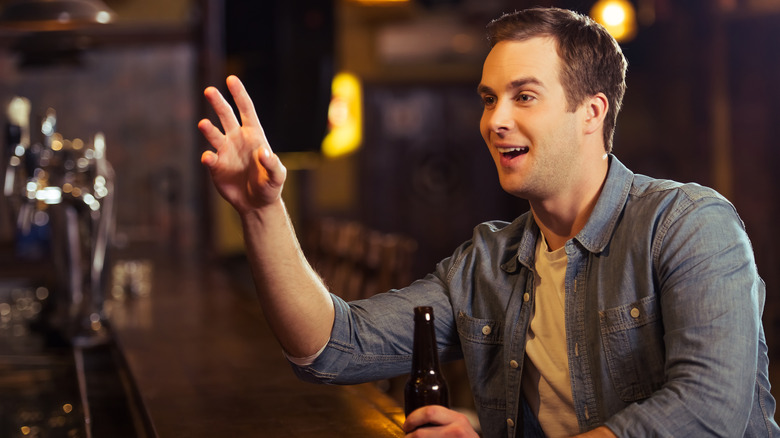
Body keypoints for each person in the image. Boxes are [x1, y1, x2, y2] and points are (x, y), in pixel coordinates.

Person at [198, 7, 779, 438]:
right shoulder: (486, 265)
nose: (494, 120)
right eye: (487, 97)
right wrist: (261, 212)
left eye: (523, 97)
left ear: (591, 113)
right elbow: (332, 349)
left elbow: (710, 410)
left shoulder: (689, 224)